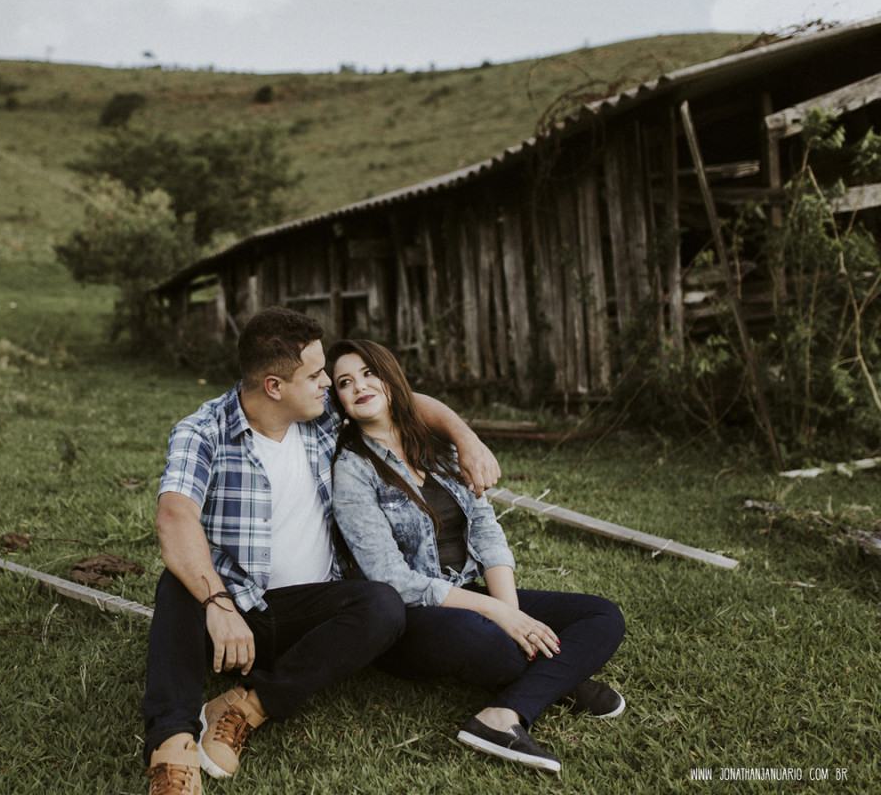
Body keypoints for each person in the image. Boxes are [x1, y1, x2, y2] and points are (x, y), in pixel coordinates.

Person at [143, 308, 502, 795]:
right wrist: (218, 603)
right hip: (230, 615)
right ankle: (173, 743)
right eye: (315, 376)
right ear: (274, 386)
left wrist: (466, 436)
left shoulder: (320, 417)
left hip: (310, 613)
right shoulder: (202, 431)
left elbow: (409, 403)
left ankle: (246, 706)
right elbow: (175, 516)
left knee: (381, 603)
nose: (327, 385)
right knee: (180, 583)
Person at [328, 338, 626, 774]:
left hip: (468, 591)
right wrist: (500, 616)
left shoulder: (438, 445)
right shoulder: (352, 469)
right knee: (494, 644)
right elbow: (392, 578)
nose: (360, 386)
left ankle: (501, 716)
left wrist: (511, 609)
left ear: (391, 378)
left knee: (603, 616)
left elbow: (486, 529)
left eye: (369, 373)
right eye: (344, 383)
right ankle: (562, 679)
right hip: (412, 618)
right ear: (338, 400)